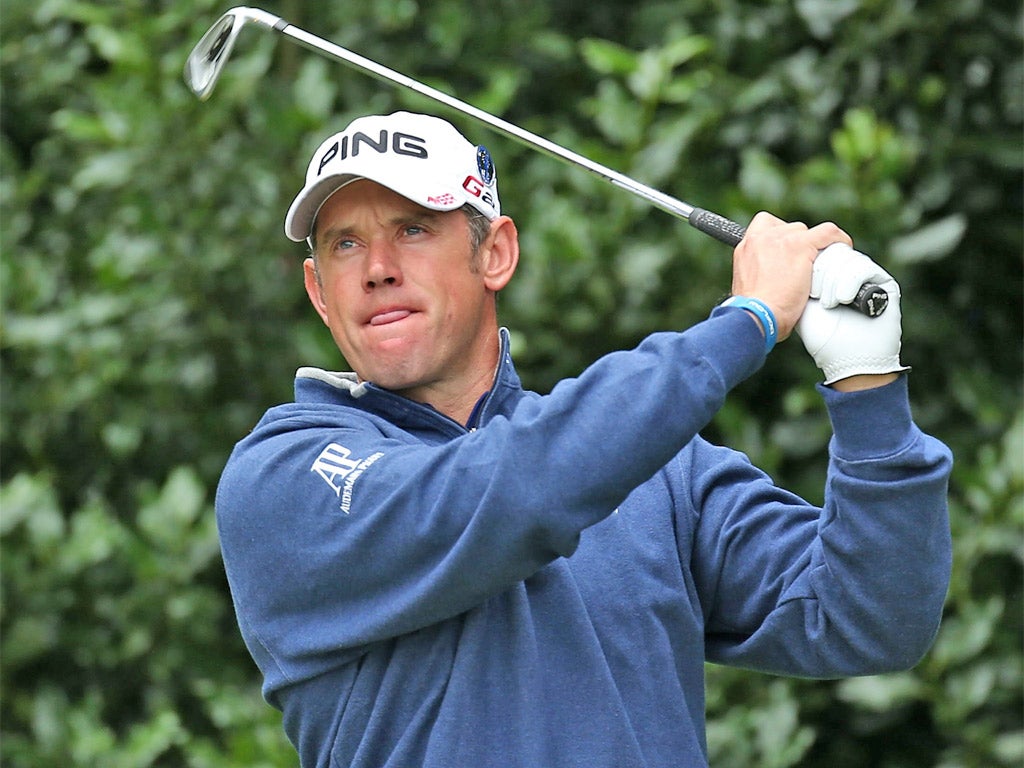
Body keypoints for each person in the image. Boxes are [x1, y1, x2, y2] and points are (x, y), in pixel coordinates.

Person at [215, 111, 952, 768]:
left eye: (413, 228)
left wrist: (868, 383)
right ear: (317, 289)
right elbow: (507, 491)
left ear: (494, 253)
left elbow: (868, 618)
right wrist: (745, 321)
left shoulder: (656, 471)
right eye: (345, 245)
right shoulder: (285, 475)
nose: (377, 270)